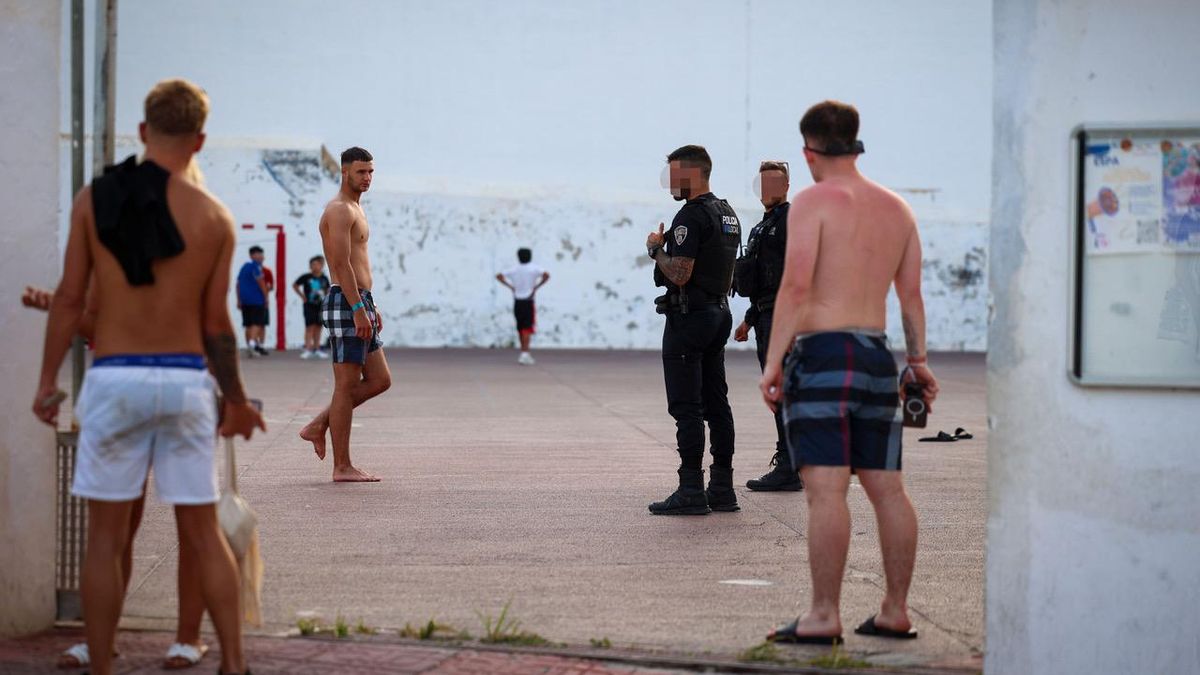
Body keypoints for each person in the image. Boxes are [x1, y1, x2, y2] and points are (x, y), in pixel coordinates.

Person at [32, 78, 264, 675]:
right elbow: (216, 324)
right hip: (186, 379)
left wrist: (46, 381)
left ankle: (102, 664)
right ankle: (233, 663)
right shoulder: (215, 217)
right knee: (203, 530)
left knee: (106, 538)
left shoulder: (93, 199)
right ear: (201, 141)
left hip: (114, 377)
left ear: (142, 132)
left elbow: (66, 299)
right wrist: (236, 399)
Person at [760, 101, 939, 645]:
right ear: (855, 142)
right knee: (887, 488)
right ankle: (895, 611)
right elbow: (910, 297)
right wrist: (919, 363)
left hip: (822, 355)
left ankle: (823, 615)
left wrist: (773, 362)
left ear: (808, 151)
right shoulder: (897, 209)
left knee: (826, 489)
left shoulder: (812, 202)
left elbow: (794, 287)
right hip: (876, 355)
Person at [645, 144, 742, 515]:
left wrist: (655, 250)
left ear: (692, 173)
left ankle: (690, 489)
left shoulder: (690, 215)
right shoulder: (728, 213)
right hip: (719, 313)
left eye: (674, 175)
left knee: (687, 406)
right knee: (717, 401)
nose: (670, 183)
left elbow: (681, 274)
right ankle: (722, 487)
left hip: (690, 318)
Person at [297, 146, 391, 482]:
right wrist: (356, 308)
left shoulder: (356, 209)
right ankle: (341, 466)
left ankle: (319, 423)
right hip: (345, 302)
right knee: (346, 386)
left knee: (380, 380)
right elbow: (340, 264)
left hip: (359, 300)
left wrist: (369, 304)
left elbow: (359, 263)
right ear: (344, 172)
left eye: (370, 172)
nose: (367, 178)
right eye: (360, 172)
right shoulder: (339, 210)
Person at [733, 161, 803, 492]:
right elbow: (764, 277)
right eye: (762, 185)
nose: (767, 191)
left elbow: (800, 274)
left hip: (781, 318)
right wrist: (749, 318)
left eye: (774, 184)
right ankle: (792, 462)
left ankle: (790, 466)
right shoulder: (764, 225)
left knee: (781, 391)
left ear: (787, 186)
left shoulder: (791, 221)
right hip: (765, 315)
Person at [495, 248, 550, 365]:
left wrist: (510, 287)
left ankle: (524, 352)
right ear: (530, 256)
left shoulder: (514, 269)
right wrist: (536, 287)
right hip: (528, 301)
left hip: (517, 301)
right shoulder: (534, 268)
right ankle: (525, 353)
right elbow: (546, 275)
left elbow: (499, 276)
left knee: (521, 328)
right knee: (527, 329)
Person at [293, 255, 331, 359]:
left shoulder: (324, 278)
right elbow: (295, 285)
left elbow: (328, 289)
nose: (315, 266)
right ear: (310, 266)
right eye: (313, 264)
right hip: (309, 305)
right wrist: (302, 296)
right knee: (309, 327)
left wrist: (327, 300)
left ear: (321, 265)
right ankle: (308, 349)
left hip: (321, 306)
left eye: (317, 264)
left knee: (318, 327)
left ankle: (317, 348)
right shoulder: (306, 277)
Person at [236, 245, 269, 356]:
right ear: (252, 255)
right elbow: (261, 283)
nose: (261, 256)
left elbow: (238, 284)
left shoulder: (244, 267)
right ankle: (251, 343)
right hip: (256, 300)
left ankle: (250, 346)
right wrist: (266, 298)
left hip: (245, 300)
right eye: (258, 254)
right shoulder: (256, 267)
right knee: (257, 323)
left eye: (261, 254)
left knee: (248, 324)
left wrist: (239, 299)